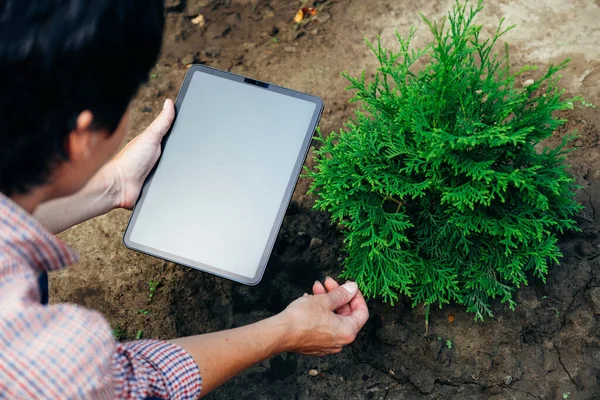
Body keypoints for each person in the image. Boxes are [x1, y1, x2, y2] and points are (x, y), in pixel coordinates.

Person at [0, 0, 369, 399]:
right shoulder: (35, 358)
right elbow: (132, 386)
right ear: (83, 134)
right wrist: (286, 331)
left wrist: (117, 182)